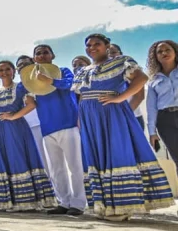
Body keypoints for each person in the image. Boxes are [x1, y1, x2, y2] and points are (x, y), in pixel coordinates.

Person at [73, 33, 173, 221]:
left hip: (110, 114)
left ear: (107, 45)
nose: (92, 47)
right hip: (89, 118)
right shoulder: (83, 70)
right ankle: (104, 206)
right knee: (97, 156)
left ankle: (122, 206)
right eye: (89, 45)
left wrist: (119, 98)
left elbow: (141, 79)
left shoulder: (121, 62)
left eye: (97, 44)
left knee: (115, 153)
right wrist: (80, 118)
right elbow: (81, 96)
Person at [0, 61, 56, 211]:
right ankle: (8, 201)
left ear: (13, 71)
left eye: (7, 69)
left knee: (17, 157)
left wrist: (14, 116)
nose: (4, 72)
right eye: (1, 70)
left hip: (16, 127)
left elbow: (31, 104)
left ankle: (26, 201)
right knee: (3, 159)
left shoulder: (20, 87)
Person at [32, 45, 87, 216]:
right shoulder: (32, 78)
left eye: (45, 52)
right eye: (38, 53)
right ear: (34, 58)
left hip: (68, 125)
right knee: (56, 168)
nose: (42, 56)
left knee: (75, 166)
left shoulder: (63, 71)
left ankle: (78, 203)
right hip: (47, 128)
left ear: (53, 55)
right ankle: (63, 201)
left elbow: (71, 84)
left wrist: (51, 81)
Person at [145, 40, 178, 168]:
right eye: (160, 52)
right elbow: (151, 108)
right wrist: (152, 132)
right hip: (165, 121)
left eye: (167, 50)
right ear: (156, 57)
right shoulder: (154, 80)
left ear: (174, 51)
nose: (164, 53)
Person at [15, 55, 48, 175]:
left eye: (26, 64)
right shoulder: (18, 87)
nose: (23, 67)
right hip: (25, 126)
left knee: (47, 159)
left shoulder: (43, 78)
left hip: (43, 124)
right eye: (20, 66)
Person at [109, 44, 146, 131]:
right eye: (107, 54)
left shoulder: (129, 71)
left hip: (132, 117)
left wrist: (125, 115)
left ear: (120, 53)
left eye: (113, 52)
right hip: (113, 120)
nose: (110, 56)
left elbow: (139, 96)